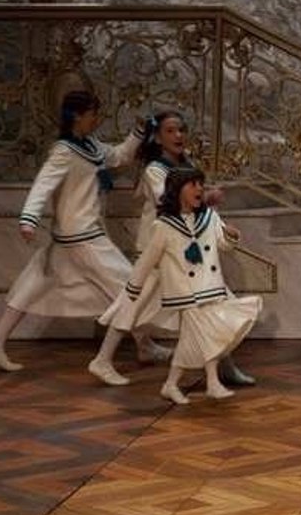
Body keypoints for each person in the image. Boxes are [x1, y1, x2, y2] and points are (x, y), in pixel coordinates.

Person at [0, 90, 169, 381]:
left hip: (72, 235)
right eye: (93, 113)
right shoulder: (64, 151)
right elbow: (43, 185)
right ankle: (119, 355)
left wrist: (138, 133)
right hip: (82, 237)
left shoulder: (91, 145)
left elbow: (119, 156)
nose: (97, 118)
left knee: (31, 285)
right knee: (130, 288)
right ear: (77, 116)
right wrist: (29, 219)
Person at [98, 111, 254, 385]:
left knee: (215, 303)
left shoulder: (186, 164)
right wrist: (205, 197)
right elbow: (168, 201)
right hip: (159, 249)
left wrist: (220, 227)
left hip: (184, 249)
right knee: (131, 305)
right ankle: (102, 360)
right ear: (158, 138)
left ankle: (224, 365)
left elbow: (198, 212)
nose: (178, 135)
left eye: (181, 130)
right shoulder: (154, 170)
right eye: (170, 131)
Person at [126, 167, 262, 404]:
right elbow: (148, 259)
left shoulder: (209, 217)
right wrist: (134, 287)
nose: (199, 189)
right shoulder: (164, 226)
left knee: (202, 338)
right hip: (186, 293)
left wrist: (230, 235)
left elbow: (223, 244)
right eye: (193, 184)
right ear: (177, 190)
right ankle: (206, 383)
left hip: (211, 286)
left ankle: (184, 384)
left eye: (201, 184)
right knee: (205, 336)